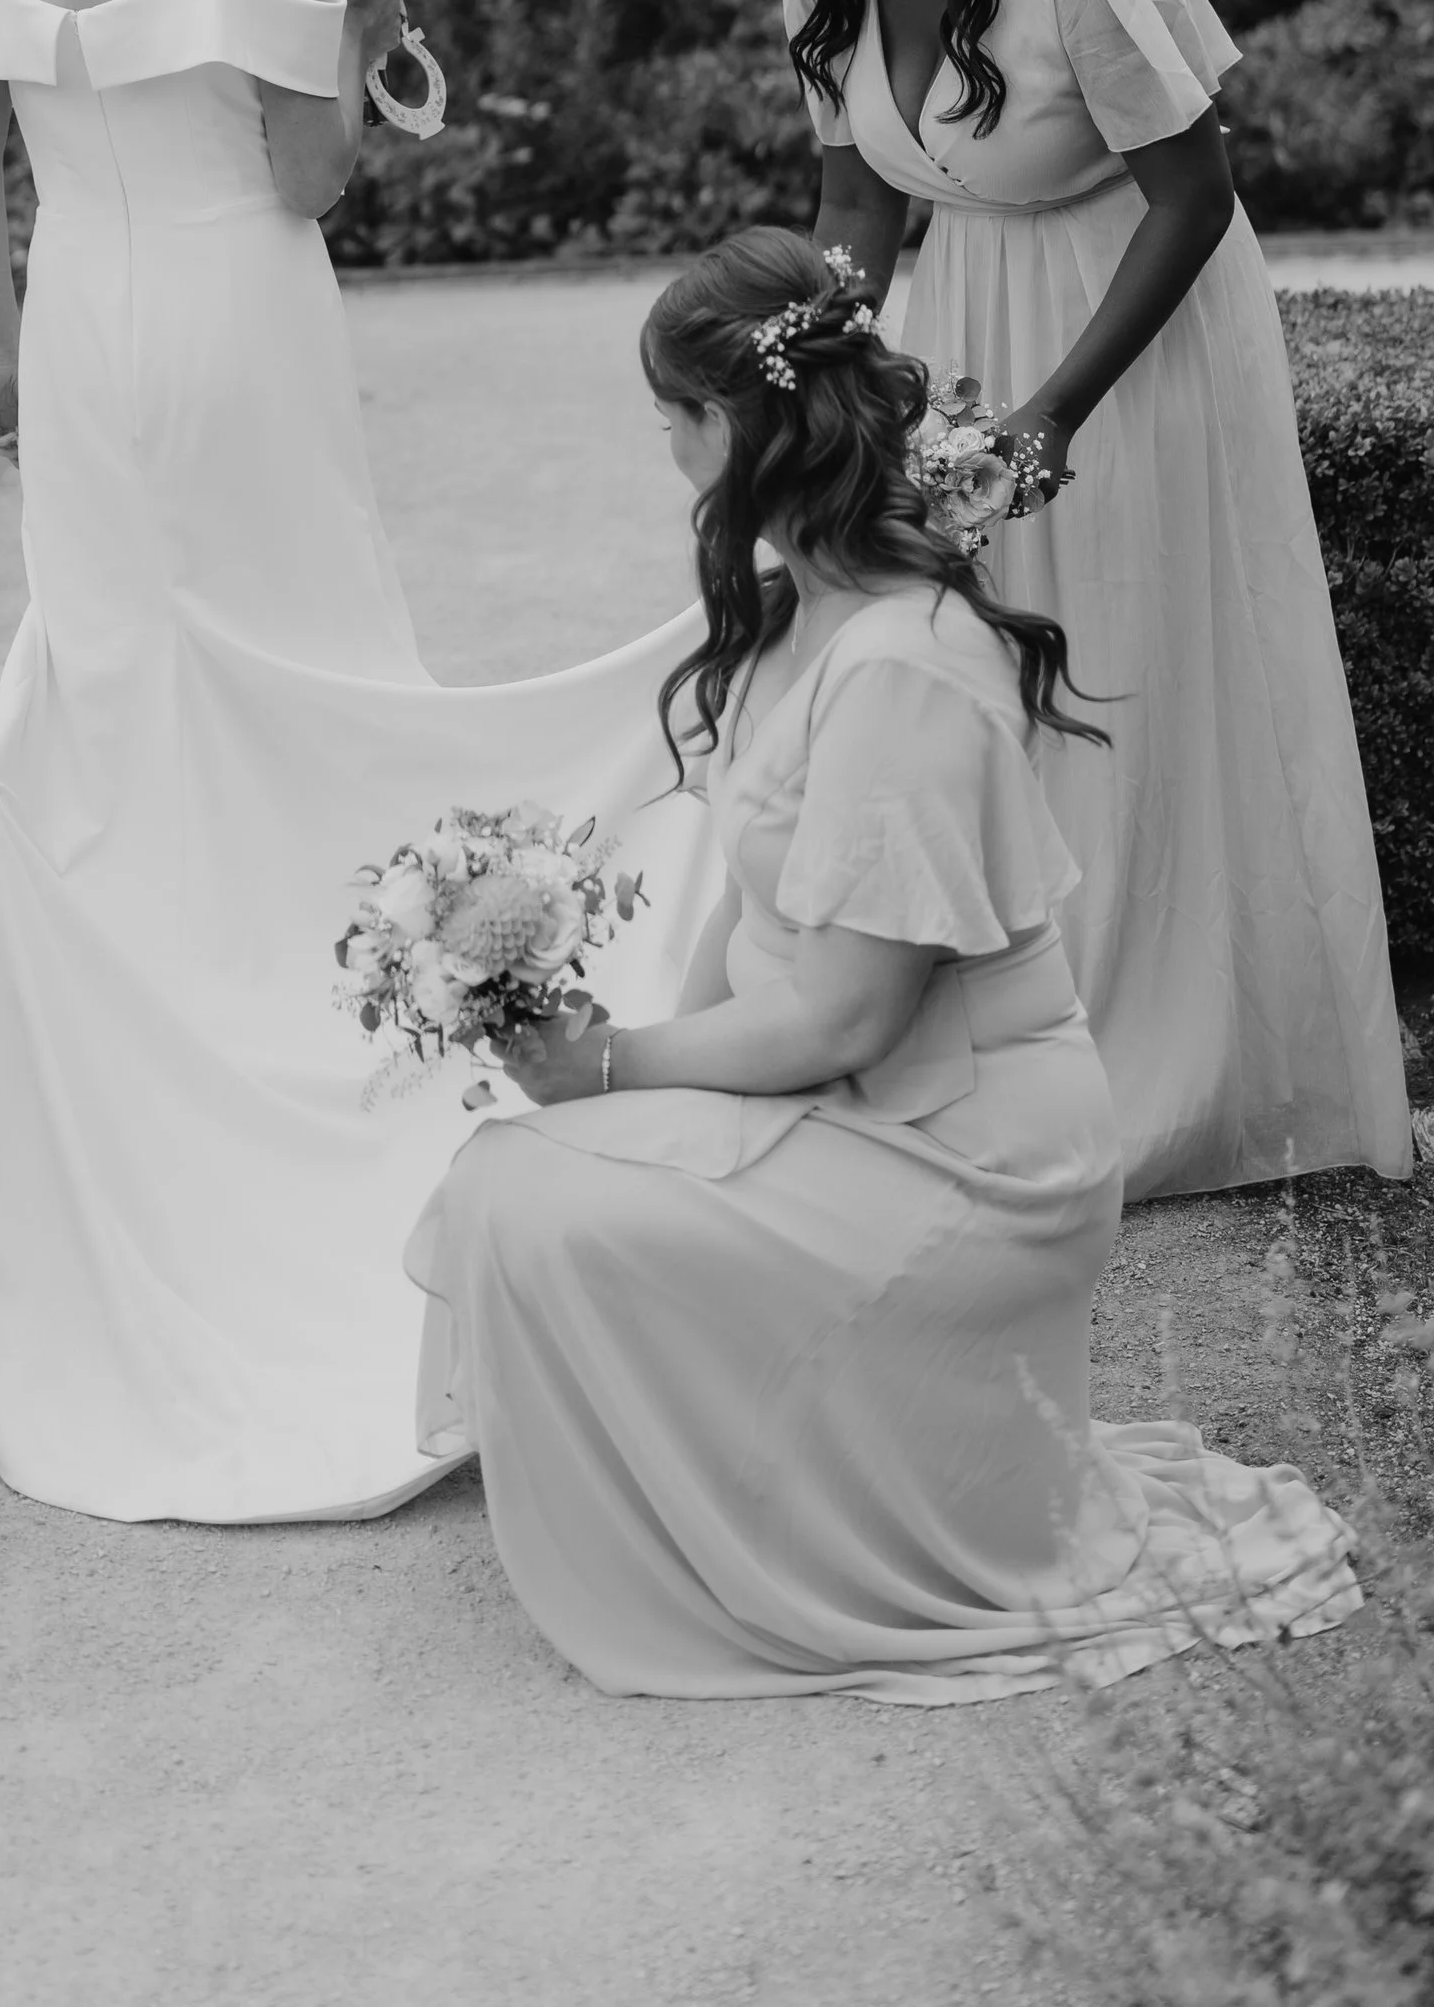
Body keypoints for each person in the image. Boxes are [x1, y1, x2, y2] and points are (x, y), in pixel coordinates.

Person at [0, 0, 711, 1525]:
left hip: (86, 334)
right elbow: (307, 173)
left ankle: (151, 1080)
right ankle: (337, 1077)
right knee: (321, 678)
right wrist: (361, 3)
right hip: (234, 321)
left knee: (124, 687)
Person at [406, 232, 1364, 1701]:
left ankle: (769, 1520)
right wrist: (619, 1085)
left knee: (528, 1196)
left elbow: (849, 1011)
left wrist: (602, 1068)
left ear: (730, 427)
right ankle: (727, 1471)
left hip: (971, 1157)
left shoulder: (902, 666)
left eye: (669, 414)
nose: (663, 444)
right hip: (876, 1104)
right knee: (527, 1168)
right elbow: (754, 949)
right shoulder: (806, 622)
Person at [746, 0, 1410, 1199]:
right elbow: (858, 201)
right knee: (987, 651)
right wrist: (819, 368)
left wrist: (1059, 409)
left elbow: (1197, 192)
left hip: (1133, 323)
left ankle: (1165, 1057)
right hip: (973, 311)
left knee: (1123, 646)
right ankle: (1017, 1015)